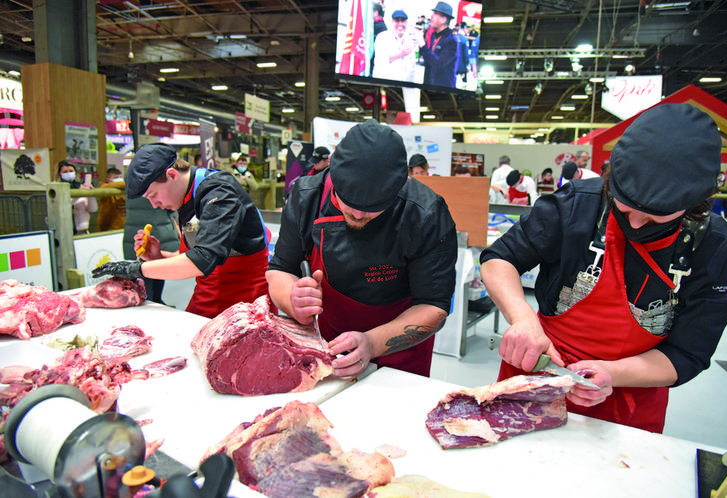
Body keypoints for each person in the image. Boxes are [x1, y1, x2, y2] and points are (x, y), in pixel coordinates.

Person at [479, 103, 727, 433]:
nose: (635, 224)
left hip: (626, 398)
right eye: (625, 206)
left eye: (654, 217)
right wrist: (523, 318)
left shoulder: (713, 245)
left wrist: (611, 374)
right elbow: (500, 259)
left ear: (695, 202)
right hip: (533, 377)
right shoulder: (576, 204)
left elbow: (687, 354)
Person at [266, 120, 457, 378]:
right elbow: (280, 269)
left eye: (373, 206)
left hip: (397, 356)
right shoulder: (306, 196)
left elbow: (433, 305)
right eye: (348, 200)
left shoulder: (427, 214)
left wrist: (372, 343)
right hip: (325, 347)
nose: (357, 213)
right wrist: (292, 299)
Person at [92, 143, 271, 319]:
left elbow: (202, 260)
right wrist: (159, 257)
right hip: (206, 301)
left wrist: (135, 269)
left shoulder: (220, 192)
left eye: (153, 195)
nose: (154, 205)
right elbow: (196, 257)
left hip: (245, 309)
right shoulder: (186, 197)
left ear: (172, 175)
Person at [418, 1, 459, 88]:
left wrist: (423, 45)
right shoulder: (434, 36)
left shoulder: (451, 41)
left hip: (443, 90)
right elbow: (429, 60)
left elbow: (438, 65)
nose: (431, 16)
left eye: (435, 14)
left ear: (443, 20)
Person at [372, 10, 418, 83]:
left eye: (403, 21)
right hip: (385, 84)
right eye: (397, 21)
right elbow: (380, 62)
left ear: (407, 23)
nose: (400, 24)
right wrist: (400, 54)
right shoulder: (382, 37)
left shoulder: (410, 40)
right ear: (392, 22)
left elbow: (412, 68)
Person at [58, 159, 97, 235]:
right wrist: (79, 193)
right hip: (67, 232)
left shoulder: (81, 186)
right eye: (65, 172)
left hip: (84, 231)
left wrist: (90, 194)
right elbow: (64, 207)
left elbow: (93, 209)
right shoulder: (58, 188)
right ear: (60, 174)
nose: (69, 173)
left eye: (71, 171)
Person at [96, 167, 127, 231]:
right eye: (115, 178)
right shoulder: (104, 188)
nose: (119, 180)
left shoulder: (124, 190)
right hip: (108, 229)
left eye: (120, 177)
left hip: (123, 228)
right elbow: (103, 187)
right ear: (108, 180)